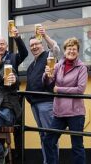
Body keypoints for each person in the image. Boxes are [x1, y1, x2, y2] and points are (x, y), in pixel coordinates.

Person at [43, 37, 88, 164]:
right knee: (48, 141)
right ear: (64, 51)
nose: (71, 51)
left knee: (77, 146)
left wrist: (59, 89)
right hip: (59, 111)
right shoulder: (58, 65)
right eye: (69, 49)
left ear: (78, 52)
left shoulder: (82, 67)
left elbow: (80, 89)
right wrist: (46, 75)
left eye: (74, 49)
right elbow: (49, 83)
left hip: (76, 113)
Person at [0, 27, 28, 163]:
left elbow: (24, 53)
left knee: (18, 130)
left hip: (14, 99)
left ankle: (18, 160)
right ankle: (1, 158)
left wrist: (17, 37)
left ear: (6, 45)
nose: (0, 46)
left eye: (2, 44)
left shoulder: (13, 56)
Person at [26, 26, 60, 164]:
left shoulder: (49, 56)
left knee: (49, 136)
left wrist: (45, 36)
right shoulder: (31, 65)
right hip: (34, 104)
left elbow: (56, 48)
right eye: (32, 45)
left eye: (36, 44)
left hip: (46, 102)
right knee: (43, 135)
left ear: (42, 45)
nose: (34, 47)